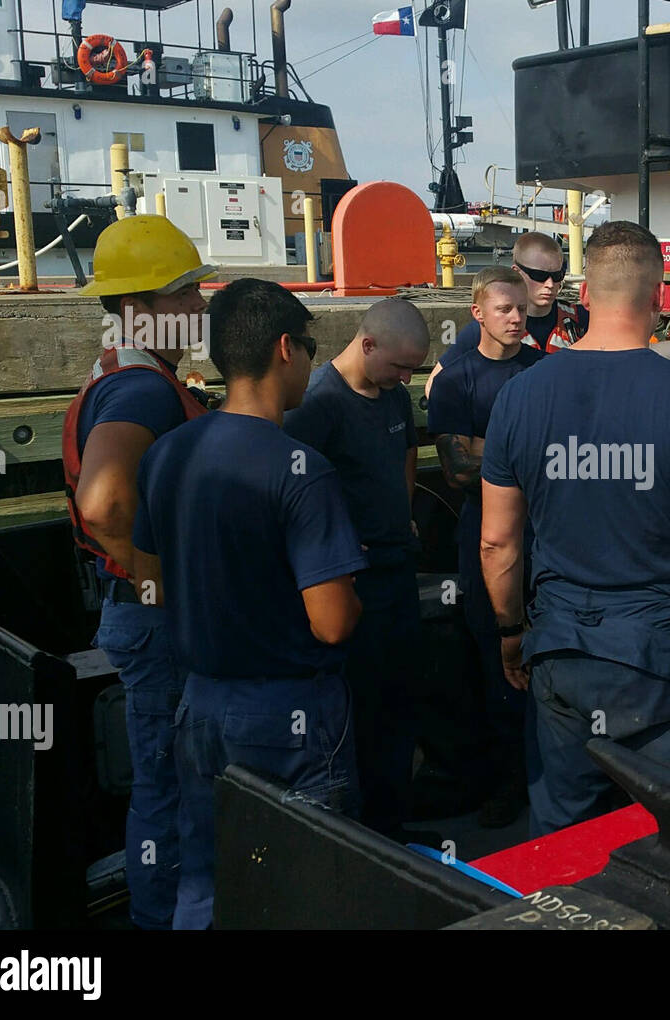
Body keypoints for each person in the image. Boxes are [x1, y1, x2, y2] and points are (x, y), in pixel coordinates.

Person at [479, 221, 670, 837]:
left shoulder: (519, 397)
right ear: (661, 296)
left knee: (568, 843)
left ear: (582, 293)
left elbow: (497, 543)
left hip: (562, 649)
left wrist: (511, 631)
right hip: (663, 658)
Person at [133, 278, 367, 929]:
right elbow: (331, 622)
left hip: (199, 704)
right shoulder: (303, 470)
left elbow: (148, 579)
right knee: (307, 883)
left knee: (206, 876)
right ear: (285, 348)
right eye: (313, 349)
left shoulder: (165, 455)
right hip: (287, 713)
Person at [61, 214, 214, 931]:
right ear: (135, 310)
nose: (201, 306)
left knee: (165, 779)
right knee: (171, 785)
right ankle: (165, 919)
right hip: (155, 618)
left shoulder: (131, 376)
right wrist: (162, 586)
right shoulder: (142, 392)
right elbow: (102, 503)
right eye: (184, 293)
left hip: (138, 611)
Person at [283, 298, 430, 836]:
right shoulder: (318, 405)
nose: (404, 378)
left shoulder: (391, 395)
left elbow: (408, 449)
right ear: (366, 345)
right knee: (360, 713)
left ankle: (396, 825)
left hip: (397, 568)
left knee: (399, 702)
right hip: (353, 580)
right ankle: (363, 837)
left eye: (413, 370)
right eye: (398, 367)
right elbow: (292, 494)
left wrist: (403, 508)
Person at [427, 266, 545, 828]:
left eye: (521, 308)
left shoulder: (541, 370)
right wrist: (525, 468)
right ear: (478, 313)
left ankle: (543, 773)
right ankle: (503, 782)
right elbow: (455, 470)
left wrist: (490, 457)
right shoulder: (457, 379)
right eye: (505, 309)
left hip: (541, 539)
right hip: (483, 539)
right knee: (491, 659)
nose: (518, 317)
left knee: (540, 655)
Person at [424, 231, 670, 397]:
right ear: (516, 271)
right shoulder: (487, 331)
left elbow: (642, 353)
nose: (550, 285)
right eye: (538, 275)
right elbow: (437, 385)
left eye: (557, 276)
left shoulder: (577, 320)